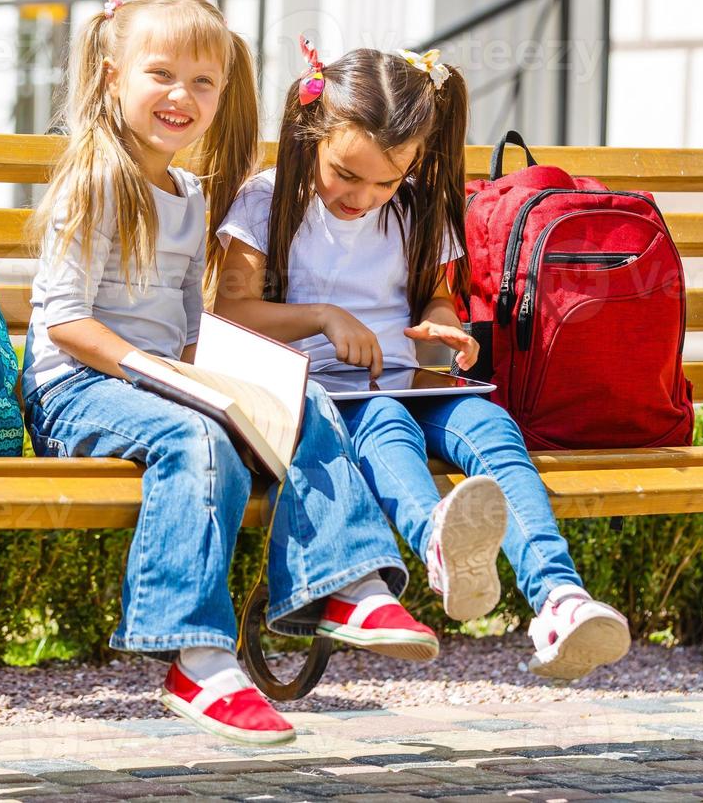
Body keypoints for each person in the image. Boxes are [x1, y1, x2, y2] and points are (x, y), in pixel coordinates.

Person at [21, 0, 436, 745]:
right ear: (113, 77)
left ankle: (348, 583)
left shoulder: (189, 195)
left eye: (203, 81)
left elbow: (190, 335)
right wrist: (159, 372)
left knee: (299, 398)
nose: (182, 95)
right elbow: (64, 323)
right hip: (78, 390)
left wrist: (238, 382)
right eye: (162, 74)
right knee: (201, 442)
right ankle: (199, 657)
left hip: (155, 381)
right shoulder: (96, 179)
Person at [214, 39, 632, 680]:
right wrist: (324, 318)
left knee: (493, 426)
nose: (366, 196)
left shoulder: (412, 206)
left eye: (387, 179)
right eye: (347, 174)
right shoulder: (268, 200)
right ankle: (438, 537)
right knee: (385, 420)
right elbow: (230, 311)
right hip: (329, 395)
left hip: (412, 381)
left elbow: (436, 299)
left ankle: (558, 598)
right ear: (312, 133)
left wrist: (445, 329)